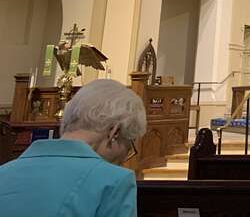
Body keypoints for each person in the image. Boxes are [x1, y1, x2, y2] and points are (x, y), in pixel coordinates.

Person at [0, 78, 146, 216]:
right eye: (128, 146)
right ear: (115, 132)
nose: (123, 160)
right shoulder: (115, 182)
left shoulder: (3, 172)